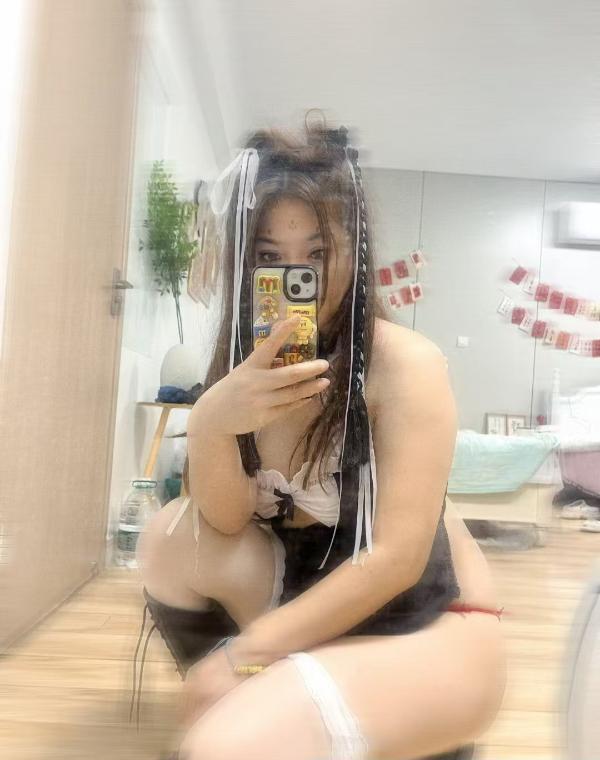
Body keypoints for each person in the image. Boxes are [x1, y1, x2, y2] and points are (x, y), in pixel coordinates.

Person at [135, 120, 506, 760]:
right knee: (169, 537)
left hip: (420, 621)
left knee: (224, 744)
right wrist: (212, 421)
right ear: (245, 264)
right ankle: (288, 707)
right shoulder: (244, 365)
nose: (293, 277)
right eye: (269, 257)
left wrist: (241, 657)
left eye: (316, 254)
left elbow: (396, 561)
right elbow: (223, 519)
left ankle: (392, 727)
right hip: (314, 591)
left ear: (353, 254)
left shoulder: (403, 364)